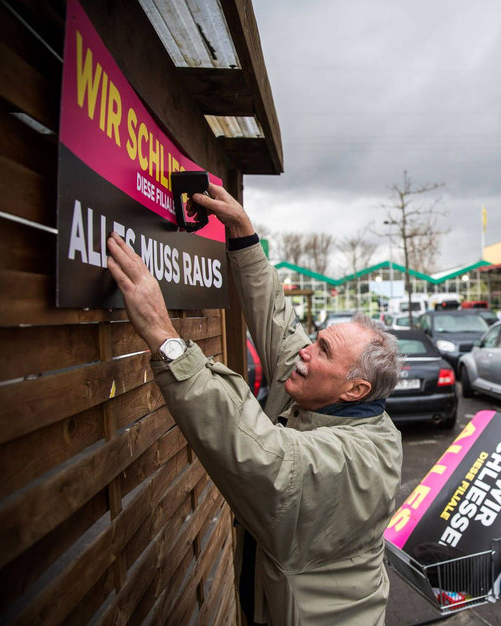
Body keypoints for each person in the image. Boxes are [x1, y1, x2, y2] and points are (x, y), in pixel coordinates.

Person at [105, 182, 403, 625]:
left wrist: (167, 341)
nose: (305, 351)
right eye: (316, 341)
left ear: (355, 390)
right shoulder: (318, 390)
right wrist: (244, 235)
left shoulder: (364, 459)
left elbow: (263, 452)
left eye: (322, 350)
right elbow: (280, 323)